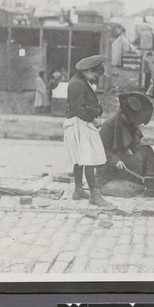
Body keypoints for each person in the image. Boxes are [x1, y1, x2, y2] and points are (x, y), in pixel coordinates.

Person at [63, 55, 113, 208]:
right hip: (80, 123)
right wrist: (94, 119)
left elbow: (85, 105)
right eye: (95, 75)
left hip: (81, 122)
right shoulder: (76, 84)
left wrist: (95, 111)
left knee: (80, 158)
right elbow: (79, 110)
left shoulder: (82, 81)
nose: (96, 78)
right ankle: (94, 195)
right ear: (88, 71)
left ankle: (78, 190)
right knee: (88, 158)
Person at [98, 92, 154, 184]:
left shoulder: (130, 122)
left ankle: (152, 179)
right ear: (122, 113)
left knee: (147, 150)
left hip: (123, 153)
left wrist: (130, 147)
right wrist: (116, 161)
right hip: (110, 161)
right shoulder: (108, 125)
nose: (130, 121)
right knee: (136, 161)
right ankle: (139, 181)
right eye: (128, 118)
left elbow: (134, 139)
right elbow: (102, 150)